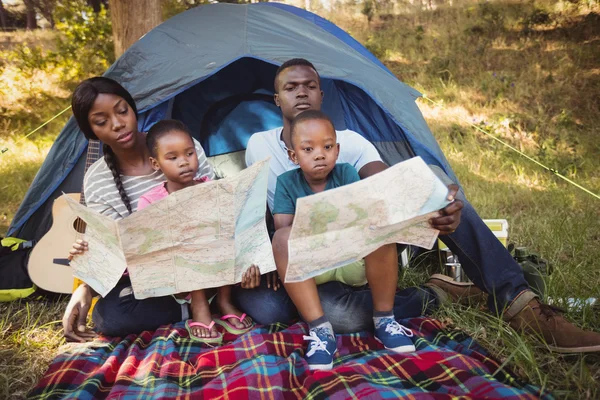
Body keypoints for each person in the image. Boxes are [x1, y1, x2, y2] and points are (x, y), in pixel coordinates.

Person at [242, 58, 600, 354]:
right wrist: (261, 254)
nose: (301, 91)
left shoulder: (350, 142)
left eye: (309, 85)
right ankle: (438, 294)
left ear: (321, 93)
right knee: (271, 309)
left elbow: (390, 182)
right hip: (300, 257)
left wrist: (435, 195)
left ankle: (520, 303)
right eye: (291, 87)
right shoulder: (258, 146)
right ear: (277, 98)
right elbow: (255, 211)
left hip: (357, 247)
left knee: (446, 198)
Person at [63, 77, 261, 340]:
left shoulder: (179, 145)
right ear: (91, 131)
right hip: (158, 277)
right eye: (102, 121)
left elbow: (216, 208)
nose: (118, 124)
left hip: (214, 261)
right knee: (109, 317)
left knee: (272, 308)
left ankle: (214, 299)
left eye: (122, 111)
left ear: (133, 109)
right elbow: (110, 247)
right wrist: (85, 287)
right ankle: (198, 304)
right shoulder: (98, 180)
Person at [273, 110, 416, 370]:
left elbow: (360, 216)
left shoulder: (347, 173)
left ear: (337, 151)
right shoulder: (286, 182)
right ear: (293, 155)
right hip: (313, 266)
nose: (319, 154)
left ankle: (385, 318)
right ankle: (320, 330)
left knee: (378, 227)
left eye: (327, 147)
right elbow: (283, 228)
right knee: (282, 238)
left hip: (350, 259)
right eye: (308, 149)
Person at [137, 119, 254, 342]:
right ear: (155, 163)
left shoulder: (212, 189)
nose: (184, 162)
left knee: (223, 224)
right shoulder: (150, 202)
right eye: (172, 158)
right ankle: (198, 304)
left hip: (220, 274)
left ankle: (224, 299)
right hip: (181, 281)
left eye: (189, 153)